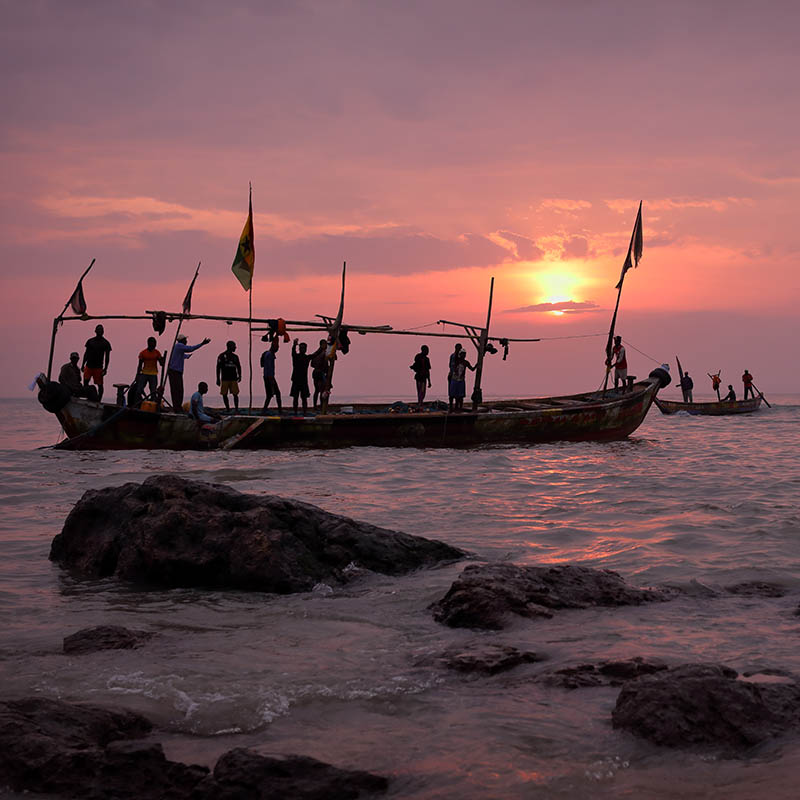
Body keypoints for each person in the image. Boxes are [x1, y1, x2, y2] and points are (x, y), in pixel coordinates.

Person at [167, 334, 211, 411]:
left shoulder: (178, 347)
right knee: (177, 390)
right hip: (174, 371)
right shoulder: (179, 346)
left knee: (177, 390)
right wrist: (202, 344)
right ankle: (177, 407)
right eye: (185, 340)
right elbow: (190, 348)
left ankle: (177, 406)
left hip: (175, 371)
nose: (186, 341)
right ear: (182, 340)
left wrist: (187, 356)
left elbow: (181, 355)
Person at [82, 324, 111, 401]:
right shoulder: (90, 341)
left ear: (103, 332)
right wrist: (82, 365)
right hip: (88, 366)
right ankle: (88, 398)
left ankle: (99, 400)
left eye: (101, 330)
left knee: (100, 385)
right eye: (98, 330)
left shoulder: (106, 343)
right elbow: (86, 353)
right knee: (85, 383)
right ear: (95, 331)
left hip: (98, 368)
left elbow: (107, 357)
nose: (100, 331)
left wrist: (105, 369)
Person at [132, 337, 164, 406]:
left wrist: (162, 359)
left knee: (153, 391)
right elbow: (140, 365)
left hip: (153, 374)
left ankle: (152, 406)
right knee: (139, 390)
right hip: (144, 373)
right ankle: (137, 404)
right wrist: (137, 375)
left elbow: (161, 364)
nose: (154, 345)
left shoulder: (157, 352)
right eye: (153, 343)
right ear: (149, 343)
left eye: (155, 343)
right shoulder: (143, 353)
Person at [216, 340, 242, 411]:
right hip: (225, 378)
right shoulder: (221, 356)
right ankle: (228, 409)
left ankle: (236, 409)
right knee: (224, 394)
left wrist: (240, 376)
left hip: (233, 378)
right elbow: (218, 368)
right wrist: (218, 379)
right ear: (230, 347)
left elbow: (239, 367)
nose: (235, 348)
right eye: (234, 346)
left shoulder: (235, 357)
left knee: (235, 394)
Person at [290, 339, 313, 415]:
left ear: (306, 349)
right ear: (299, 349)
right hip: (296, 380)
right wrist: (294, 344)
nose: (303, 349)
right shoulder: (296, 357)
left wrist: (321, 348)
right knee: (295, 398)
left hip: (303, 380)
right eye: (301, 348)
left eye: (304, 348)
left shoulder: (307, 358)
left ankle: (305, 412)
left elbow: (315, 354)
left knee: (304, 398)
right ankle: (295, 412)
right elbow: (293, 352)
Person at [260, 339, 282, 414]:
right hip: (269, 377)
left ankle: (264, 409)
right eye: (277, 347)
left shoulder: (269, 354)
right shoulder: (269, 355)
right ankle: (279, 410)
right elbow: (269, 368)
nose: (278, 349)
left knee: (269, 395)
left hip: (268, 376)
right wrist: (271, 380)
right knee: (276, 394)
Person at [410, 345, 432, 409]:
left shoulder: (427, 359)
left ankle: (420, 402)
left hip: (423, 377)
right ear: (423, 350)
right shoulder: (418, 357)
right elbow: (415, 365)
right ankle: (420, 403)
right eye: (427, 350)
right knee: (420, 391)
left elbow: (428, 370)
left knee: (422, 391)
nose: (428, 352)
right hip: (419, 377)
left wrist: (429, 381)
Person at [310, 338, 328, 409]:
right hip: (319, 372)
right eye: (325, 344)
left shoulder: (317, 353)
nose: (326, 345)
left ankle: (316, 406)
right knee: (321, 390)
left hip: (316, 372)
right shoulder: (323, 353)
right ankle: (320, 406)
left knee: (317, 390)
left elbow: (312, 364)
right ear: (322, 345)